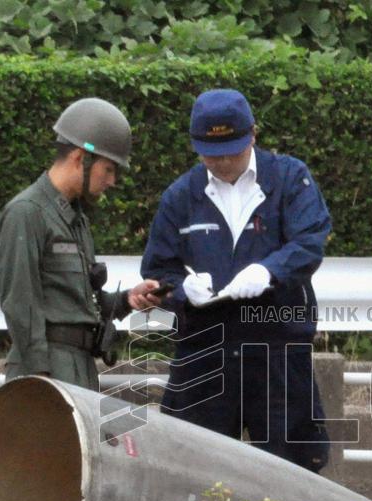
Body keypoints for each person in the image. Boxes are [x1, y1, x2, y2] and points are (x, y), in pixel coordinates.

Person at [141, 89, 332, 473]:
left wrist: (270, 270)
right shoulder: (182, 196)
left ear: (254, 135)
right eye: (212, 154)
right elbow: (159, 269)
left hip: (277, 347)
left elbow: (310, 240)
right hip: (205, 351)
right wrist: (182, 290)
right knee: (193, 470)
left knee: (290, 471)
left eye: (233, 150)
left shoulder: (290, 179)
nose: (224, 162)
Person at [0, 98, 163, 390]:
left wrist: (126, 300)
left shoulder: (75, 218)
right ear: (79, 158)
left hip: (78, 370)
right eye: (108, 169)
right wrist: (39, 380)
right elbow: (20, 304)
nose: (112, 180)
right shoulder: (27, 213)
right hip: (46, 371)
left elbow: (78, 305)